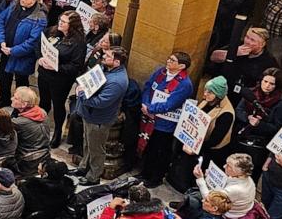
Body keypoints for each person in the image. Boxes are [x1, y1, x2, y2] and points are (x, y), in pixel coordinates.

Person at [74, 47, 131, 182]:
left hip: (98, 119)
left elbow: (100, 102)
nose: (104, 56)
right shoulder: (105, 68)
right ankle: (84, 167)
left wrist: (81, 94)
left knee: (96, 149)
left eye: (108, 56)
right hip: (89, 114)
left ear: (117, 62)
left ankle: (93, 177)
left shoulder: (117, 81)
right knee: (88, 143)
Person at [138, 51, 193, 187]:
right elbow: (148, 87)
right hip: (149, 117)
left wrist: (150, 109)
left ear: (181, 66)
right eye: (169, 58)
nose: (168, 61)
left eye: (172, 60)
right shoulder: (161, 72)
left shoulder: (185, 84)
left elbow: (170, 104)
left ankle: (155, 178)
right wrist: (145, 104)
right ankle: (144, 173)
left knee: (160, 151)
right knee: (149, 148)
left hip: (165, 124)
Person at [0, 0, 48, 107]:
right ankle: (4, 99)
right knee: (4, 76)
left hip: (23, 56)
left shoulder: (40, 17)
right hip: (5, 48)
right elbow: (0, 21)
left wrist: (13, 50)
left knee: (21, 81)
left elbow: (33, 41)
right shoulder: (14, 4)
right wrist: (1, 41)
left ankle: (21, 106)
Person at [36, 11, 85, 144]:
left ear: (72, 25)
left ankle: (58, 131)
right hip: (44, 74)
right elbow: (39, 43)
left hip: (60, 79)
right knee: (44, 101)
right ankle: (39, 126)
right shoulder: (53, 31)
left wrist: (56, 67)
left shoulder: (78, 42)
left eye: (63, 22)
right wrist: (40, 58)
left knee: (58, 105)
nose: (60, 23)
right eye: (60, 20)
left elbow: (76, 66)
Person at [217, 26, 278, 105]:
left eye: (252, 40)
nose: (247, 41)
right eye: (247, 37)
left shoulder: (269, 62)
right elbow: (213, 57)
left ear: (262, 44)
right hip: (222, 88)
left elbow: (271, 85)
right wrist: (234, 52)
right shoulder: (238, 45)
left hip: (243, 98)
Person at [12, 87, 51, 167]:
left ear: (24, 104)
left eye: (15, 98)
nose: (11, 99)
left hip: (26, 160)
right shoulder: (43, 112)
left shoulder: (18, 123)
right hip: (45, 155)